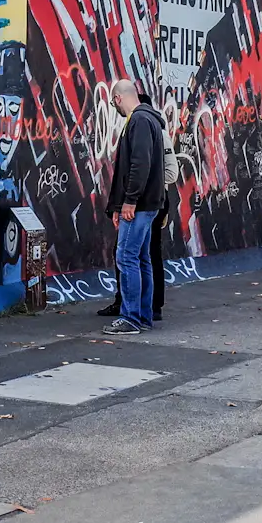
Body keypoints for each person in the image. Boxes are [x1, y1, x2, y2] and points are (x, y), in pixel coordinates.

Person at [102, 79, 166, 334]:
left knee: (126, 256)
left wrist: (129, 201)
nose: (114, 107)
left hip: (139, 204)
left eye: (112, 102)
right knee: (141, 258)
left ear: (118, 98)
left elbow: (139, 163)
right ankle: (143, 315)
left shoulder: (139, 121)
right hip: (148, 202)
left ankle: (131, 318)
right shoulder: (149, 119)